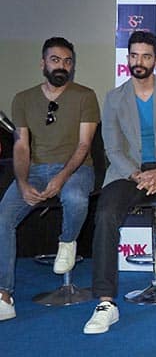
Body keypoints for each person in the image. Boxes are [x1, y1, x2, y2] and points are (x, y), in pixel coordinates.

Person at [83, 31, 156, 334]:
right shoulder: (114, 98)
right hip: (128, 172)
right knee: (105, 213)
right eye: (134, 55)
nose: (139, 61)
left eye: (146, 56)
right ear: (128, 59)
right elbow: (112, 148)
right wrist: (138, 175)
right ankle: (106, 303)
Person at [0, 37, 99, 322]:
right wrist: (22, 182)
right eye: (55, 60)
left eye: (67, 62)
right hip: (34, 170)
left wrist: (60, 178)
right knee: (3, 218)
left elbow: (84, 145)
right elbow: (21, 146)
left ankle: (67, 243)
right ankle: (4, 294)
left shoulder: (85, 96)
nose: (62, 66)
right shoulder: (23, 99)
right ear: (43, 63)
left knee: (75, 197)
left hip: (76, 169)